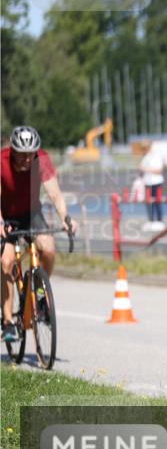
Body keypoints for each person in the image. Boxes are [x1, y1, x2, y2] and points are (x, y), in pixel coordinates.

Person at [1, 126, 77, 342]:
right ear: (12, 151)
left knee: (49, 250)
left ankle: (40, 296)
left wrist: (65, 218)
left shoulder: (41, 159)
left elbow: (55, 194)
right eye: (22, 154)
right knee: (6, 262)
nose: (27, 159)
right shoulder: (2, 161)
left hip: (32, 213)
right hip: (6, 216)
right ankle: (8, 322)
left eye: (31, 154)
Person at [138, 143, 165, 230]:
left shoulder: (157, 156)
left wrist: (146, 169)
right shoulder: (144, 157)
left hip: (156, 182)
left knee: (157, 201)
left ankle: (159, 221)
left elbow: (159, 170)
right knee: (148, 202)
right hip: (147, 183)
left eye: (144, 148)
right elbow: (141, 171)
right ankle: (151, 220)